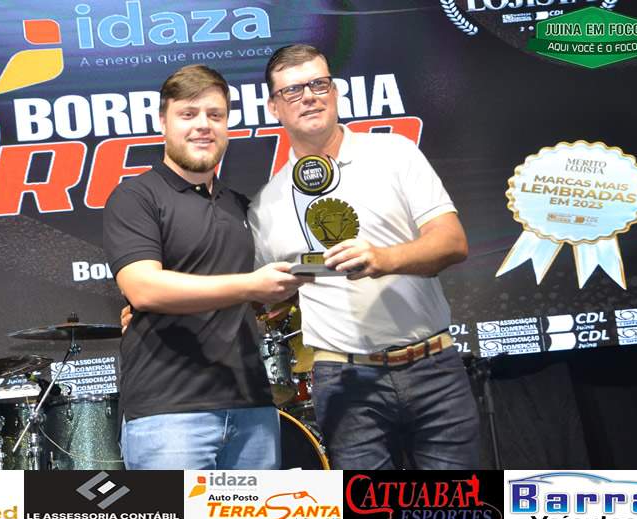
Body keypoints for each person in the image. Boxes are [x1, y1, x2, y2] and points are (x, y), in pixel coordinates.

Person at [246, 44, 480, 469]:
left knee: (454, 502)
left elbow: (452, 242)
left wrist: (382, 259)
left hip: (432, 365)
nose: (309, 96)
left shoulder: (394, 153)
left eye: (319, 84)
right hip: (344, 380)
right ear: (274, 107)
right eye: (293, 90)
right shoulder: (266, 204)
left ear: (335, 92)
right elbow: (265, 297)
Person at [103, 64, 309, 470]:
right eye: (188, 114)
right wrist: (249, 286)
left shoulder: (241, 206)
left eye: (215, 115)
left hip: (252, 408)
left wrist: (284, 291)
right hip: (169, 413)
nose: (203, 125)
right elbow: (143, 288)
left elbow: (266, 295)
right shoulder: (136, 197)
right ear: (163, 121)